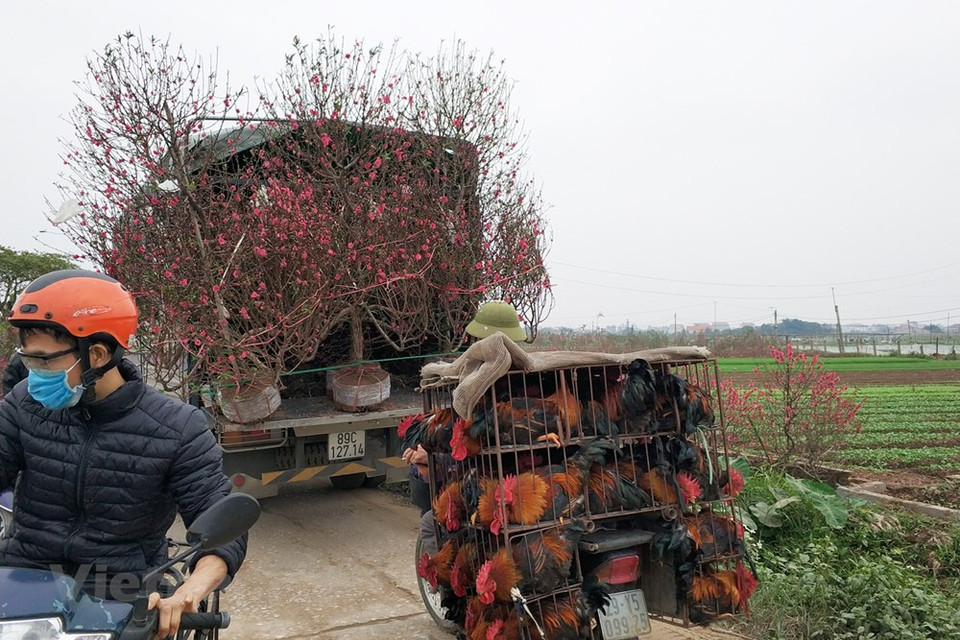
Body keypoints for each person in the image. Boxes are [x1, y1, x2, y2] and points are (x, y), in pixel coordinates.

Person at [0, 269, 246, 638]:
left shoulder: (178, 428)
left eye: (44, 361)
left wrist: (189, 591)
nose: (32, 374)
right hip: (25, 578)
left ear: (96, 354)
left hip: (122, 593)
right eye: (28, 360)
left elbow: (221, 525)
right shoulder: (23, 404)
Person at [405, 299, 528, 554]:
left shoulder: (474, 390)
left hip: (498, 486)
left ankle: (452, 587)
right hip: (523, 478)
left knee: (431, 523)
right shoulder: (528, 378)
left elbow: (471, 456)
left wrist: (432, 461)